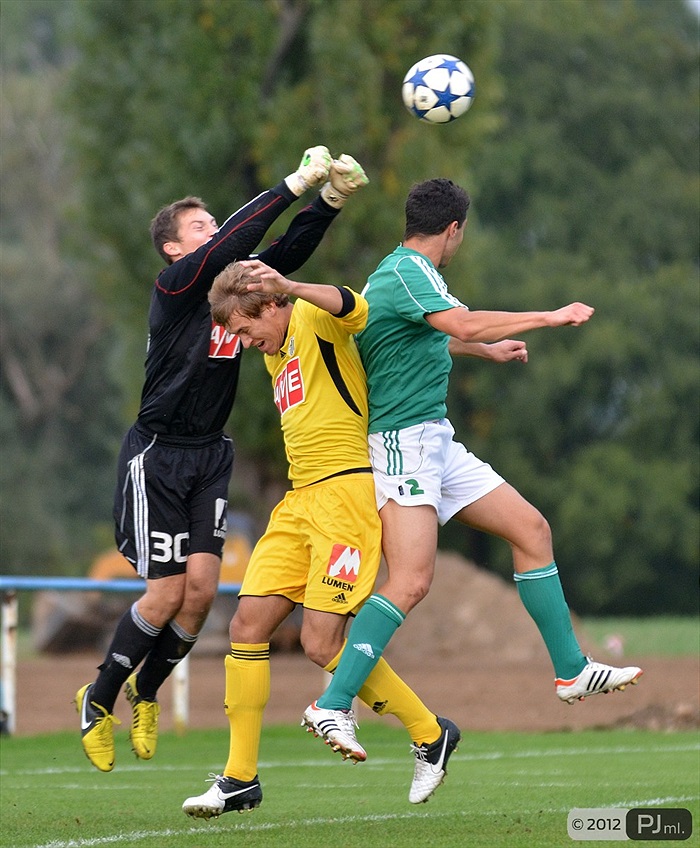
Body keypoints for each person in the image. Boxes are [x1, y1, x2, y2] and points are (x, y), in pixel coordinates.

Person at [302, 178, 642, 755]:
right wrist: (548, 317)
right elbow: (459, 322)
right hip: (401, 445)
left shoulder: (407, 278)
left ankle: (570, 670)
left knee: (531, 529)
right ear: (454, 229)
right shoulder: (408, 270)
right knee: (411, 581)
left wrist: (486, 350)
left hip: (436, 441)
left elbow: (425, 336)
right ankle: (332, 705)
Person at [75, 146, 368, 773]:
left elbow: (285, 258)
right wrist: (291, 184)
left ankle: (144, 692)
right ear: (176, 251)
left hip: (210, 453)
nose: (216, 233)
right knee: (165, 594)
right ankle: (96, 701)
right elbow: (238, 237)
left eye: (214, 223)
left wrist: (330, 200)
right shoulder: (176, 286)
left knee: (203, 594)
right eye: (202, 228)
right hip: (157, 453)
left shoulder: (233, 294)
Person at [181, 258, 461, 818]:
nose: (243, 341)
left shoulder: (312, 314)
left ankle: (431, 733)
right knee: (247, 625)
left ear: (272, 304)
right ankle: (240, 779)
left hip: (347, 498)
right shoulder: (274, 353)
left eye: (244, 328)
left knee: (320, 643)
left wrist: (291, 284)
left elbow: (353, 305)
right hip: (299, 501)